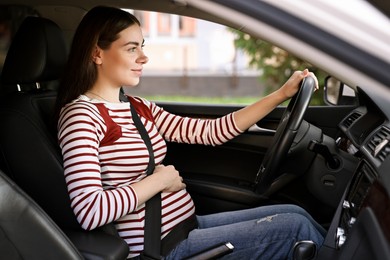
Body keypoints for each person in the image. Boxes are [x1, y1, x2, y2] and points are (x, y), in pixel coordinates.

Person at [55, 5, 325, 259]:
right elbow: (90, 210)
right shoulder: (82, 116)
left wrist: (280, 95)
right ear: (97, 53)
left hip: (186, 227)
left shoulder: (137, 107)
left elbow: (210, 132)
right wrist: (160, 181)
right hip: (162, 248)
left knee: (294, 212)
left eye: (142, 46)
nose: (143, 57)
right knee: (295, 229)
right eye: (131, 48)